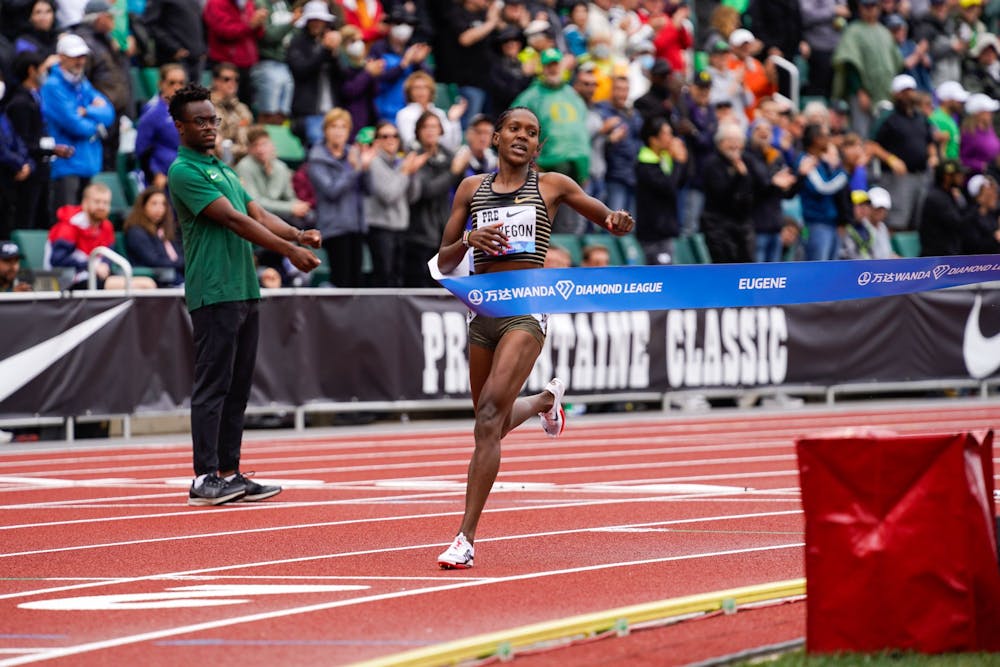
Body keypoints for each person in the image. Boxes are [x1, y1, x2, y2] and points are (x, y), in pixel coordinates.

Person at [433, 106, 634, 569]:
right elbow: (444, 262)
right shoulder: (470, 189)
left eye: (532, 133)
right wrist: (469, 240)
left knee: (487, 416)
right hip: (482, 314)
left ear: (538, 147)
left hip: (526, 310)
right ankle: (545, 401)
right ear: (496, 138)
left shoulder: (552, 185)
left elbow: (605, 216)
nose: (523, 137)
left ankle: (464, 538)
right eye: (514, 129)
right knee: (491, 424)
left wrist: (616, 220)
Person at [166, 83, 322, 506]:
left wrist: (296, 233)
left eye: (212, 119)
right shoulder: (185, 172)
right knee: (213, 385)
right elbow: (234, 220)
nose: (210, 127)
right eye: (199, 121)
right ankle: (204, 478)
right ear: (179, 127)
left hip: (243, 287)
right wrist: (289, 251)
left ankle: (229, 472)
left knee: (237, 386)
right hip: (214, 290)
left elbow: (256, 211)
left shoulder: (225, 169)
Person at [41, 33, 115, 213]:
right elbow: (75, 125)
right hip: (66, 165)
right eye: (75, 57)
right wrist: (97, 126)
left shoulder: (83, 83)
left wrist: (88, 111)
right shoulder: (52, 86)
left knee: (86, 223)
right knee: (66, 221)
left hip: (89, 162)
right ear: (62, 57)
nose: (80, 61)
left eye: (82, 56)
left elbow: (109, 113)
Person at [46, 182, 158, 290]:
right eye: (97, 202)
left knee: (146, 284)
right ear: (85, 203)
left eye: (105, 203)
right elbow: (57, 259)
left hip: (96, 278)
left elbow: (107, 257)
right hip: (70, 281)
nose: (101, 206)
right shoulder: (68, 226)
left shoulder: (107, 227)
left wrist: (103, 265)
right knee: (145, 285)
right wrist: (91, 265)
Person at [134, 63, 187, 190]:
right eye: (172, 83)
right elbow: (142, 150)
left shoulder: (188, 110)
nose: (177, 87)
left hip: (185, 175)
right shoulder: (152, 113)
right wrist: (155, 174)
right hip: (163, 179)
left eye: (181, 83)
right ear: (161, 84)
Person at [123, 187, 185, 285]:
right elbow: (153, 260)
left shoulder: (164, 229)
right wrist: (183, 263)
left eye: (163, 204)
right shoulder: (136, 231)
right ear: (143, 206)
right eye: (154, 203)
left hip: (177, 275)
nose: (159, 208)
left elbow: (179, 253)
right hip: (158, 281)